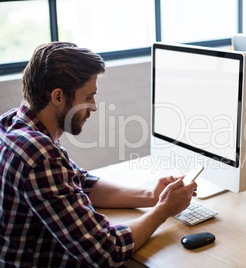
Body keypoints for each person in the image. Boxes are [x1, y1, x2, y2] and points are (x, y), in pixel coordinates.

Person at [0, 42, 197, 267]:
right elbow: (106, 251)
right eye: (89, 97)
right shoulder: (40, 155)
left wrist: (151, 196)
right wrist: (164, 210)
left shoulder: (13, 124)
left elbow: (81, 183)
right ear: (57, 96)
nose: (93, 107)